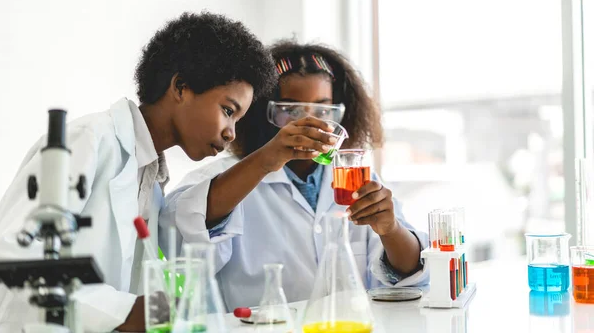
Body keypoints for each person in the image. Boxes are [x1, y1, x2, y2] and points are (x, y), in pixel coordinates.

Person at [0, 12, 279, 332]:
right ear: (181, 87)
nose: (230, 133)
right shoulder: (89, 139)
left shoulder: (149, 178)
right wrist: (127, 312)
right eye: (228, 111)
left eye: (237, 121)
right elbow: (13, 256)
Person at [160, 40, 429, 310]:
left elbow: (409, 272)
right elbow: (178, 224)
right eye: (291, 110)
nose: (310, 122)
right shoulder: (228, 176)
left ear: (342, 114)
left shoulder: (355, 176)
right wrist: (266, 159)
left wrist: (390, 229)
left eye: (324, 110)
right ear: (263, 112)